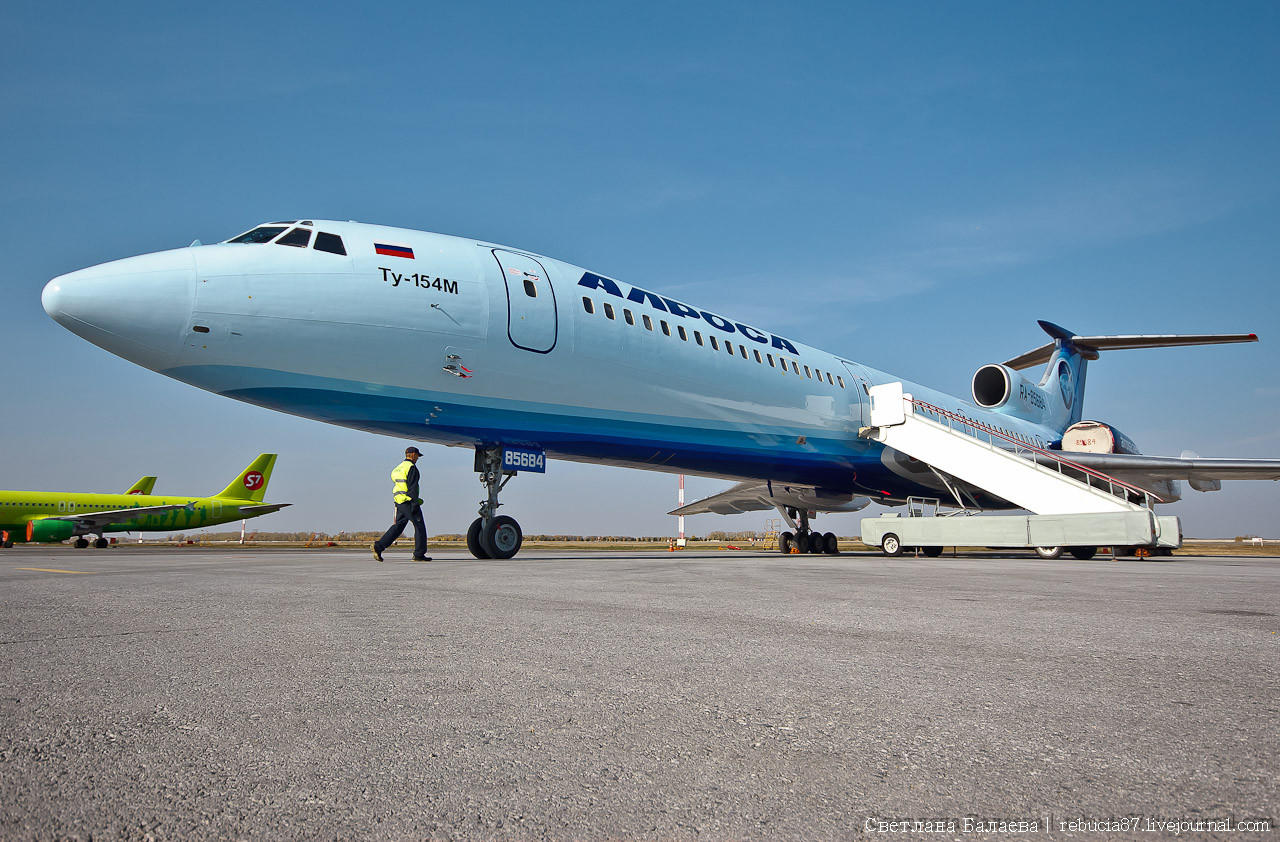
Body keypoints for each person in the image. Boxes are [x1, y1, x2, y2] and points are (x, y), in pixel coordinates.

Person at [372, 446, 431, 562]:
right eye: (417, 456)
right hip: (409, 501)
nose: (417, 459)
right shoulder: (411, 468)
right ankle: (419, 554)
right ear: (413, 454)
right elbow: (412, 487)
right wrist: (414, 503)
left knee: (398, 526)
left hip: (399, 501)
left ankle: (378, 546)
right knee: (419, 527)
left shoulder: (397, 468)